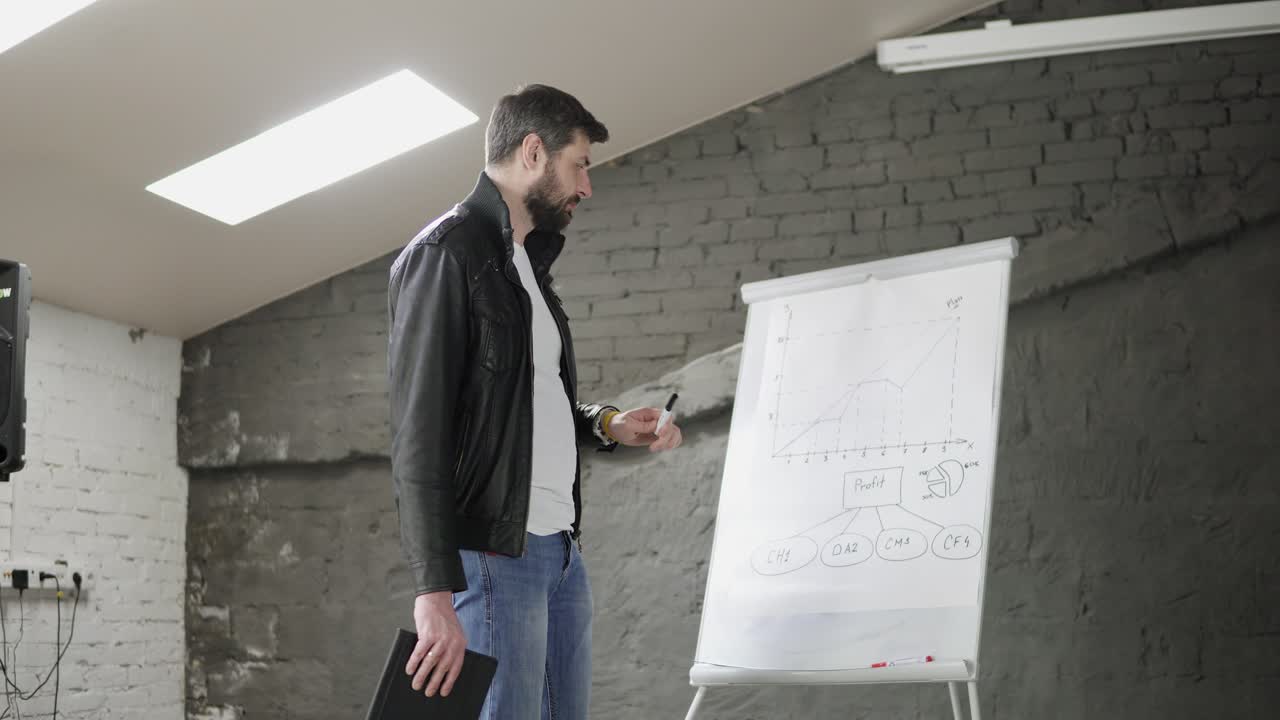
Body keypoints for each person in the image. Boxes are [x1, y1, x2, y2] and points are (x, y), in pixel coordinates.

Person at [386, 84, 683, 719]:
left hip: (561, 553)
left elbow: (523, 403)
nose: (586, 187)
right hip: (496, 554)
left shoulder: (526, 267)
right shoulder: (447, 253)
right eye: (579, 164)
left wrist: (607, 422)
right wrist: (433, 593)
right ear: (532, 152)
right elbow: (421, 431)